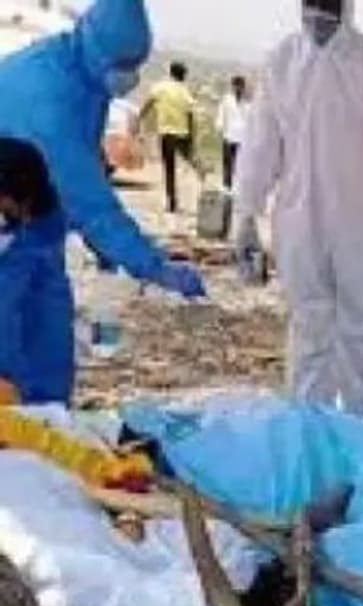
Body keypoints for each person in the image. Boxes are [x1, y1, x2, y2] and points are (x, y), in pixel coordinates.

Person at [232, 0, 363, 417]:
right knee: (309, 332)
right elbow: (260, 145)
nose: (317, 12)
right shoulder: (282, 62)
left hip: (361, 223)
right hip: (299, 221)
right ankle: (313, 434)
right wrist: (246, 212)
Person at [0, 0, 206, 405]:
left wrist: (103, 245)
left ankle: (49, 422)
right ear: (96, 46)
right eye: (121, 64)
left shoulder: (84, 75)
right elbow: (87, 197)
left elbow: (82, 165)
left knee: (49, 336)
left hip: (38, 220)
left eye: (134, 64)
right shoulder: (47, 96)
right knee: (9, 346)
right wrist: (151, 263)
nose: (128, 75)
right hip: (9, 221)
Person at [140, 61, 198, 214]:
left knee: (169, 168)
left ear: (170, 72)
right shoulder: (184, 91)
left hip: (167, 133)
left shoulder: (160, 87)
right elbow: (190, 115)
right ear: (183, 75)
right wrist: (191, 136)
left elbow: (148, 104)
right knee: (192, 161)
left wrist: (139, 118)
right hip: (183, 133)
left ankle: (172, 201)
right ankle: (205, 183)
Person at [215, 76, 250, 190]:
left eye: (241, 86)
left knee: (240, 164)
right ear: (233, 87)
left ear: (243, 87)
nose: (238, 88)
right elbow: (221, 115)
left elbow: (251, 120)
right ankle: (227, 186)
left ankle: (238, 187)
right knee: (227, 163)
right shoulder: (227, 100)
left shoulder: (247, 103)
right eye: (236, 86)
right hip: (229, 136)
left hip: (242, 138)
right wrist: (219, 129)